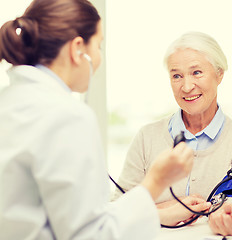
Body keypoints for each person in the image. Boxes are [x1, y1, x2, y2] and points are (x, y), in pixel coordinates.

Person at [0, 1, 196, 239]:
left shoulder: (10, 102)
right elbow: (90, 235)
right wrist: (156, 181)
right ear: (78, 48)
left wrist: (159, 215)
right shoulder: (67, 116)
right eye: (99, 45)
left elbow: (61, 214)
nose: (99, 58)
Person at [113, 31, 232, 236]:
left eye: (197, 73)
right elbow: (116, 211)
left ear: (219, 74)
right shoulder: (146, 138)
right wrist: (166, 212)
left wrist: (227, 212)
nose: (186, 86)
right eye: (176, 76)